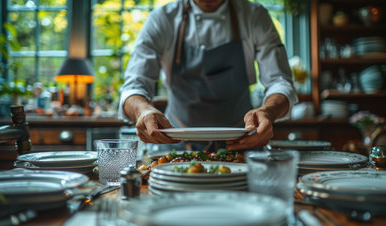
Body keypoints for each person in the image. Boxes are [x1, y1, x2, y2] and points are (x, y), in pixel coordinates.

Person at [119, 0, 298, 152]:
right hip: (174, 145)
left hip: (242, 145)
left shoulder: (254, 16)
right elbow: (134, 86)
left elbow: (280, 82)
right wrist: (144, 111)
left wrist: (268, 111)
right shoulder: (162, 19)